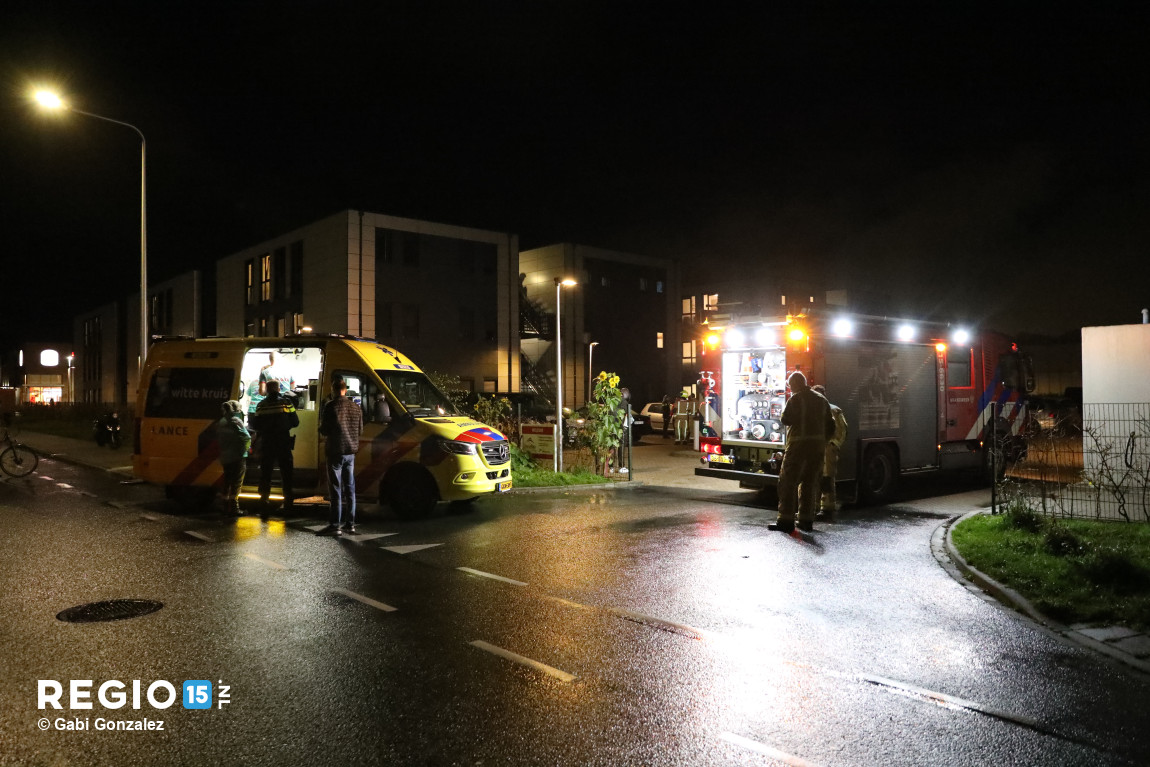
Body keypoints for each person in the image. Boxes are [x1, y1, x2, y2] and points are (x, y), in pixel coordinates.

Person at [772, 371, 835, 533]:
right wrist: (822, 441)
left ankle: (785, 521)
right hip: (817, 448)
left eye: (791, 386)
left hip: (797, 447)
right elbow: (831, 425)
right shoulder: (822, 399)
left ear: (795, 384)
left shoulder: (796, 399)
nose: (790, 389)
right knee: (809, 483)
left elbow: (785, 419)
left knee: (788, 482)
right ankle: (806, 521)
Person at [316, 377, 364, 536]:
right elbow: (360, 430)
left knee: (336, 489)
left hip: (335, 451)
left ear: (333, 389)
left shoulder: (331, 406)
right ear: (345, 389)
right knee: (350, 488)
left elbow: (324, 430)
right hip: (350, 452)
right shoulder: (356, 407)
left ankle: (335, 525)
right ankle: (350, 524)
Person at [251, 379, 299, 513]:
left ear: (266, 389)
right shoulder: (287, 402)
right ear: (279, 389)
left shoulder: (261, 405)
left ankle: (264, 501)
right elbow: (295, 422)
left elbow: (256, 425)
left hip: (267, 443)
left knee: (266, 473)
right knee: (286, 473)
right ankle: (288, 503)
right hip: (283, 442)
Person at [812, 384, 849, 519]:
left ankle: (827, 508)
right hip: (816, 448)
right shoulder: (812, 410)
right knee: (815, 478)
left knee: (827, 478)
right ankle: (814, 507)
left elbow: (842, 430)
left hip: (828, 449)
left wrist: (834, 444)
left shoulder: (834, 410)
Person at [216, 400, 252, 516]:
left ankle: (224, 506)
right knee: (237, 482)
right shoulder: (236, 421)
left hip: (225, 456)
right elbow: (246, 437)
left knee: (227, 481)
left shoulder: (222, 421)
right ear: (238, 410)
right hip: (237, 456)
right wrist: (246, 449)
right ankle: (234, 508)